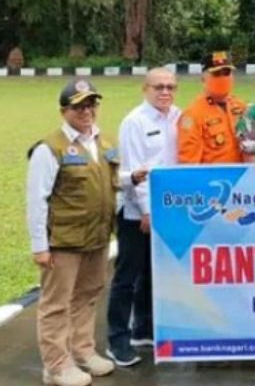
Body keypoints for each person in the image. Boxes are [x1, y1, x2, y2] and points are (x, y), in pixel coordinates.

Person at [26, 79, 120, 386]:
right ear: (64, 110)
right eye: (79, 106)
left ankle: (82, 352)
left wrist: (137, 177)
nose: (87, 111)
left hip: (97, 237)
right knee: (56, 303)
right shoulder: (49, 148)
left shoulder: (103, 142)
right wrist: (40, 246)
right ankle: (56, 365)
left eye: (91, 104)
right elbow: (36, 200)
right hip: (64, 242)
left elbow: (113, 182)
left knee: (89, 295)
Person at [105, 68, 180, 367]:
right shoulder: (134, 122)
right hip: (137, 210)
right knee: (127, 275)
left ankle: (144, 330)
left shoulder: (178, 117)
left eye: (171, 87)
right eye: (159, 87)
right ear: (145, 89)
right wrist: (147, 211)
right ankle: (117, 340)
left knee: (153, 272)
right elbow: (137, 172)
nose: (165, 92)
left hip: (170, 207)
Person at [176, 51, 245, 164]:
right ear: (203, 78)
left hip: (243, 176)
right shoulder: (192, 115)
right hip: (213, 179)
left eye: (226, 73)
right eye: (216, 74)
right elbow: (189, 161)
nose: (222, 78)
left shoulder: (241, 107)